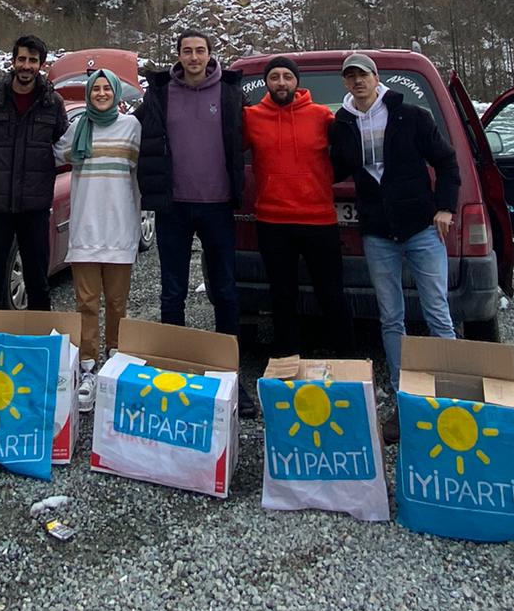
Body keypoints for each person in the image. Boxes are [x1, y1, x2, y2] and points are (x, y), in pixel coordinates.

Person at [330, 51, 459, 440]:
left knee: (438, 313)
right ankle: (405, 403)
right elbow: (331, 166)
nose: (358, 82)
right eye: (350, 77)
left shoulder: (412, 116)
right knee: (391, 318)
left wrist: (445, 209)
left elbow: (448, 162)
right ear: (346, 83)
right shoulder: (342, 124)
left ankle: (447, 398)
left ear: (375, 77)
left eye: (363, 75)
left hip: (421, 229)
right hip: (378, 235)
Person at [136, 30, 255, 416]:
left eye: (200, 50)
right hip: (173, 206)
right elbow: (128, 132)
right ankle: (174, 369)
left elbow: (257, 133)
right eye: (187, 51)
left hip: (218, 205)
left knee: (225, 290)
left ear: (210, 55)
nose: (193, 57)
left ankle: (231, 375)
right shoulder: (158, 94)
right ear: (177, 56)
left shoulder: (231, 93)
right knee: (172, 290)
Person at [243, 55, 356, 360]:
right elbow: (224, 148)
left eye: (287, 77)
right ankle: (286, 359)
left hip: (319, 219)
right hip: (272, 221)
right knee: (282, 295)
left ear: (297, 81)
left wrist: (331, 176)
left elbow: (350, 149)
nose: (281, 82)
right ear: (267, 82)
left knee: (331, 293)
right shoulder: (251, 117)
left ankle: (347, 359)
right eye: (275, 77)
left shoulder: (321, 116)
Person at [53, 67, 142, 411]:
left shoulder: (132, 128)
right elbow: (53, 153)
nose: (101, 93)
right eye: (96, 89)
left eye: (107, 88)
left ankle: (115, 362)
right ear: (89, 94)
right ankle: (88, 367)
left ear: (116, 93)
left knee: (118, 303)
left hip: (120, 228)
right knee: (86, 304)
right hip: (86, 230)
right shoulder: (78, 129)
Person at [0, 34, 68, 311]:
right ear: (13, 60)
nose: (27, 66)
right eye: (22, 59)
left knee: (38, 283)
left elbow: (65, 146)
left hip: (35, 207)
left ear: (41, 65)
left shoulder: (52, 103)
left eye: (33, 60)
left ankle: (38, 345)